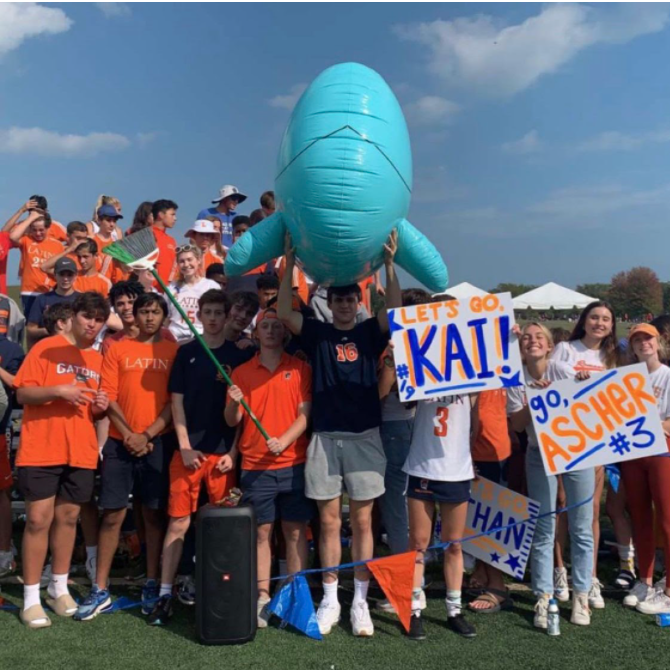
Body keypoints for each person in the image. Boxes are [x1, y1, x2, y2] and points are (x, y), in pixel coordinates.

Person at [277, 230, 400, 637]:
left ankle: (359, 601)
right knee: (328, 522)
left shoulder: (368, 332)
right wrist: (290, 264)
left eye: (351, 299)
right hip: (326, 437)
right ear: (329, 305)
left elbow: (396, 311)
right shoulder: (318, 333)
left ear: (359, 302)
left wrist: (388, 266)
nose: (345, 305)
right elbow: (284, 314)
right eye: (339, 300)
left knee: (363, 523)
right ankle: (330, 597)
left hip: (364, 435)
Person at [148, 290, 256, 625]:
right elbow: (176, 404)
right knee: (178, 522)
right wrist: (183, 445)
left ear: (226, 317)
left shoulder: (238, 357)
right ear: (199, 316)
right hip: (188, 453)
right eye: (207, 312)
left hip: (222, 457)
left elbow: (241, 415)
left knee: (223, 529)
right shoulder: (187, 353)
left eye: (217, 312)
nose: (212, 318)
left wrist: (233, 453)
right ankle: (165, 593)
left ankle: (219, 588)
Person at [75, 293, 178, 621]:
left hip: (157, 442)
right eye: (144, 311)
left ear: (164, 316)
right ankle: (100, 587)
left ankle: (151, 581)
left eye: (155, 312)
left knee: (152, 515)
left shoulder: (171, 349)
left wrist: (147, 434)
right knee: (113, 515)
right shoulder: (115, 347)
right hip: (121, 443)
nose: (149, 317)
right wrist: (131, 434)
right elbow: (109, 396)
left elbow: (173, 403)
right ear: (134, 314)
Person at [14, 292, 110, 628]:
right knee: (38, 520)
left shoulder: (98, 359)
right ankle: (30, 597)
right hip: (41, 447)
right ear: (74, 316)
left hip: (80, 450)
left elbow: (97, 411)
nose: (93, 324)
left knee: (69, 519)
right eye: (88, 317)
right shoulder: (46, 347)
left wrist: (100, 403)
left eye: (99, 320)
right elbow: (23, 392)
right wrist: (59, 390)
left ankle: (58, 587)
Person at [226, 308, 313, 627]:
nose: (272, 330)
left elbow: (305, 415)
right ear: (256, 333)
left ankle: (293, 595)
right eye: (266, 326)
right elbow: (231, 420)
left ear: (285, 333)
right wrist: (234, 401)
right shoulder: (241, 372)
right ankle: (262, 596)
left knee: (294, 532)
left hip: (293, 463)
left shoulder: (301, 369)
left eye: (277, 326)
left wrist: (283, 440)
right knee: (261, 532)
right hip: (255, 466)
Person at [508, 323, 594, 628]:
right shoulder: (516, 378)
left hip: (577, 453)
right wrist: (534, 404)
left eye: (539, 337)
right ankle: (543, 597)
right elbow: (517, 426)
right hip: (537, 455)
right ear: (521, 346)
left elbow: (591, 401)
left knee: (581, 529)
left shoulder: (563, 368)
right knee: (543, 529)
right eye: (527, 338)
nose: (532, 341)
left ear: (549, 345)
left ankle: (581, 594)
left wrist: (581, 383)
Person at [551, 301, 631, 605]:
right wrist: (575, 380)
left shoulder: (614, 357)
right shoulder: (565, 349)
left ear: (612, 326)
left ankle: (590, 575)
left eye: (606, 319)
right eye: (594, 317)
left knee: (591, 511)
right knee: (562, 505)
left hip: (599, 441)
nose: (600, 323)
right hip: (565, 437)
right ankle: (560, 571)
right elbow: (554, 385)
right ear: (584, 321)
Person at [403, 389, 478, 640]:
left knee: (454, 544)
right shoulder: (423, 366)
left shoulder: (470, 373)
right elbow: (405, 397)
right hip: (422, 465)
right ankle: (413, 610)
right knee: (418, 544)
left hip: (456, 468)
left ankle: (454, 610)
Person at [619, 324, 670, 614]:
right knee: (639, 516)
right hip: (632, 454)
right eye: (637, 339)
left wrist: (650, 425)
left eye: (647, 338)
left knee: (666, 519)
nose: (643, 343)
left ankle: (669, 589)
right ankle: (645, 580)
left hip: (661, 452)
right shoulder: (626, 379)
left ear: (657, 341)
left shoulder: (667, 376)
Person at [468, 387, 513, 613]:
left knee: (489, 518)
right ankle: (482, 568)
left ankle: (496, 583)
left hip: (490, 446)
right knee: (474, 516)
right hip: (472, 444)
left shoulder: (503, 355)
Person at [0, 331, 24, 578]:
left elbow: (19, 387)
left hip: (0, 429)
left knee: (2, 492)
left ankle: (5, 551)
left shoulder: (10, 349)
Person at [9, 209, 62, 317]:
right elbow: (13, 236)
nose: (38, 233)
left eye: (41, 230)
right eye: (34, 230)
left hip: (49, 291)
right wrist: (31, 218)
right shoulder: (26, 240)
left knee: (50, 325)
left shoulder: (58, 245)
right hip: (29, 291)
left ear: (48, 228)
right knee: (30, 325)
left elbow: (60, 268)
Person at [166, 245, 220, 344]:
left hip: (201, 339)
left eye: (190, 260)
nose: (186, 264)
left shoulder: (211, 286)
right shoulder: (171, 288)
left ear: (198, 261)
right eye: (182, 261)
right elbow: (166, 317)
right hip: (174, 338)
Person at [27, 258, 80, 350]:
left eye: (69, 275)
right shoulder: (42, 299)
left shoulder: (82, 300)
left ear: (75, 276)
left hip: (75, 348)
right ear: (55, 275)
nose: (65, 279)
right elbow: (30, 329)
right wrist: (48, 330)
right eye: (61, 274)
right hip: (48, 349)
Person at [151, 200, 178, 289]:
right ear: (161, 215)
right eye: (172, 214)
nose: (175, 218)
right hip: (151, 289)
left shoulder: (171, 240)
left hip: (169, 290)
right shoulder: (146, 235)